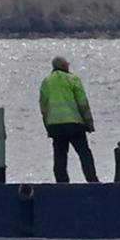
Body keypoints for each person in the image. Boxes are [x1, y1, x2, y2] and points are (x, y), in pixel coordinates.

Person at [39, 55, 98, 183]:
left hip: (55, 126)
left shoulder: (46, 82)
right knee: (84, 154)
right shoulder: (73, 79)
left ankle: (61, 183)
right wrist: (89, 123)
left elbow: (43, 106)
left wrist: (48, 126)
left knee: (59, 157)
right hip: (74, 124)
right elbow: (83, 103)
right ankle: (92, 180)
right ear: (64, 66)